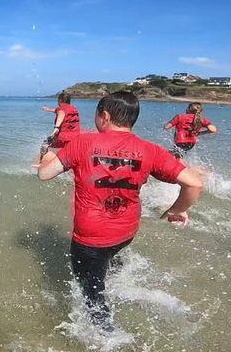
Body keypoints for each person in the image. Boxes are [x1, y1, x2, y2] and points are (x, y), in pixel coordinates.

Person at [36, 91, 203, 330]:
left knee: (92, 296)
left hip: (90, 239)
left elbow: (44, 175)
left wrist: (46, 158)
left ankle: (107, 339)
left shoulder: (83, 142)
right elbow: (194, 183)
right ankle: (117, 276)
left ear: (104, 116)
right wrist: (177, 209)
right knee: (110, 256)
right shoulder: (150, 149)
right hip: (126, 232)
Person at [38, 92, 80, 161]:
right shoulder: (73, 109)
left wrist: (56, 128)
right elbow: (58, 110)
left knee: (44, 144)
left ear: (60, 100)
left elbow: (61, 113)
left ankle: (41, 163)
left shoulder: (61, 109)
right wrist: (48, 109)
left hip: (63, 138)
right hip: (75, 138)